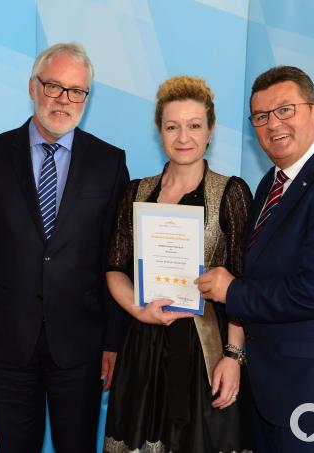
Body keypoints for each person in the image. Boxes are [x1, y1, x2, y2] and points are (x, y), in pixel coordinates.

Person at [197, 66, 314, 452]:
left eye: (285, 110)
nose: (273, 125)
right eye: (261, 117)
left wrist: (233, 292)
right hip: (273, 387)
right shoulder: (272, 182)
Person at [0, 42, 129, 453]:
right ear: (33, 87)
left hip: (81, 345)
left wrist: (113, 342)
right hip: (7, 345)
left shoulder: (109, 162)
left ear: (86, 98)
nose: (64, 100)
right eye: (54, 87)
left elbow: (116, 258)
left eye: (76, 91)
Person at [103, 76, 254, 453]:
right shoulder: (136, 192)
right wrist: (140, 311)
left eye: (194, 125)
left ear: (211, 130)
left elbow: (244, 283)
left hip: (207, 352)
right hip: (145, 347)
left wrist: (234, 357)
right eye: (172, 126)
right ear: (160, 131)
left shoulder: (231, 192)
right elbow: (114, 268)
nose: (183, 136)